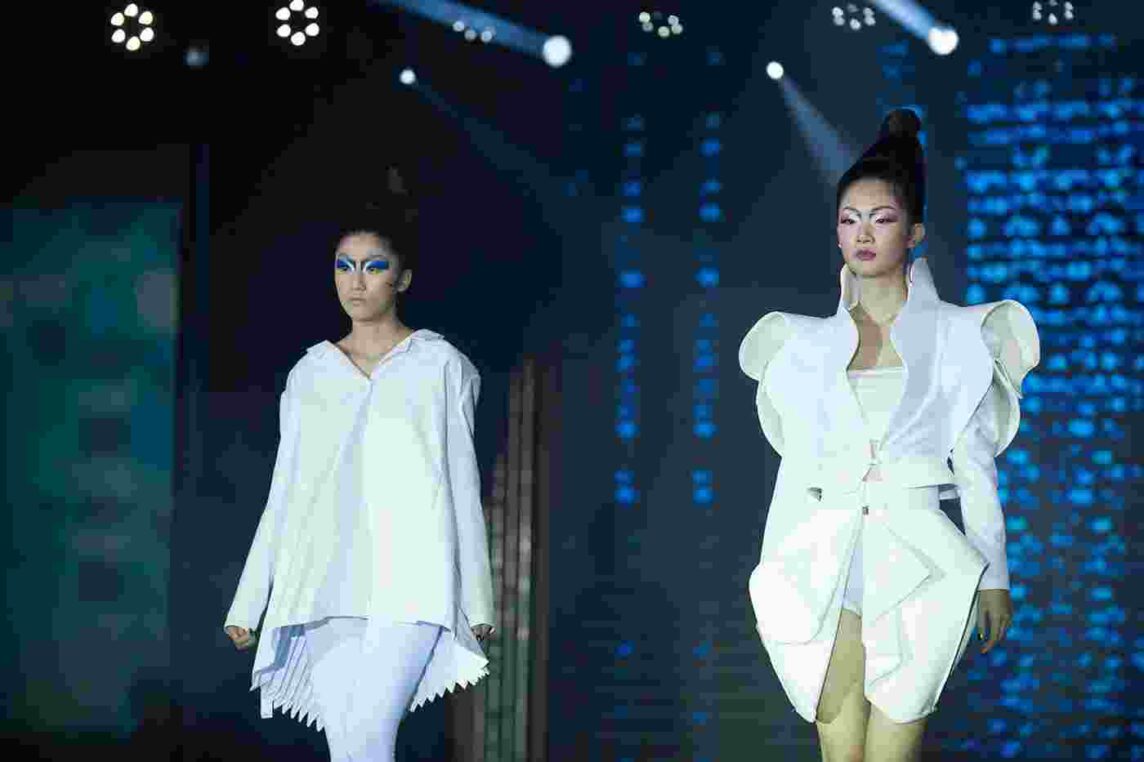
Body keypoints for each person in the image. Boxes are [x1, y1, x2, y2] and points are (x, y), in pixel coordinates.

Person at [737, 108, 1040, 761]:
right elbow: (796, 470)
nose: (864, 234)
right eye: (850, 220)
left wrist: (995, 576)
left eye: (882, 218)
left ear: (914, 232)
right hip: (825, 558)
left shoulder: (959, 338)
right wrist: (772, 571)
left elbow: (975, 470)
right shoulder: (804, 347)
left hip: (920, 558)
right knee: (838, 749)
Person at [222, 193, 496, 762]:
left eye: (374, 266)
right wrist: (248, 603)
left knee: (368, 737)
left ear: (403, 278)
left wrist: (479, 600)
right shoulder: (310, 374)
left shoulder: (441, 366)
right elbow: (284, 491)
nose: (357, 280)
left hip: (413, 580)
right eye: (344, 266)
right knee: (349, 749)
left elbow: (463, 485)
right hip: (322, 581)